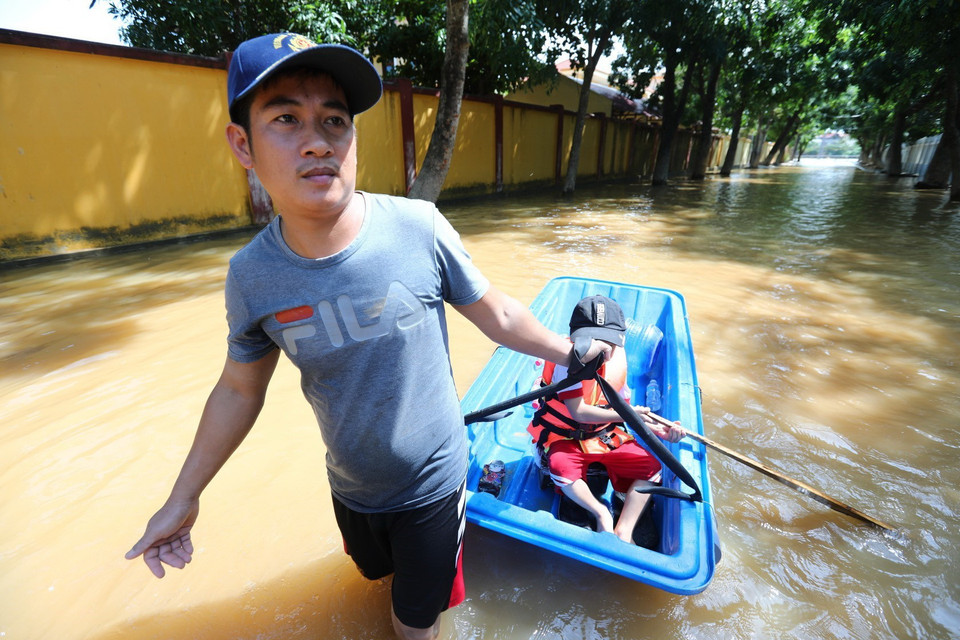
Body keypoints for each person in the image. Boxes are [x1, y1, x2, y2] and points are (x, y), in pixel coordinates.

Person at [123, 33, 613, 640]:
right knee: (374, 577)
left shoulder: (418, 228)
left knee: (414, 625)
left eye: (335, 121)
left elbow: (498, 315)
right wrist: (183, 497)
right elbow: (237, 391)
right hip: (351, 488)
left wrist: (574, 355)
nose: (316, 141)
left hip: (434, 484)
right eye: (285, 119)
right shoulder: (252, 276)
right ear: (242, 145)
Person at [527, 295, 685, 543]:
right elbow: (578, 411)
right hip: (565, 437)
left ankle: (625, 529)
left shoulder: (616, 361)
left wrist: (659, 430)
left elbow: (624, 408)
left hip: (604, 435)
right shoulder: (567, 362)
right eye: (591, 340)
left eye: (607, 342)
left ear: (619, 341)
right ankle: (601, 513)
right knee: (560, 467)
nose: (599, 348)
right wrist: (628, 415)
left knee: (652, 467)